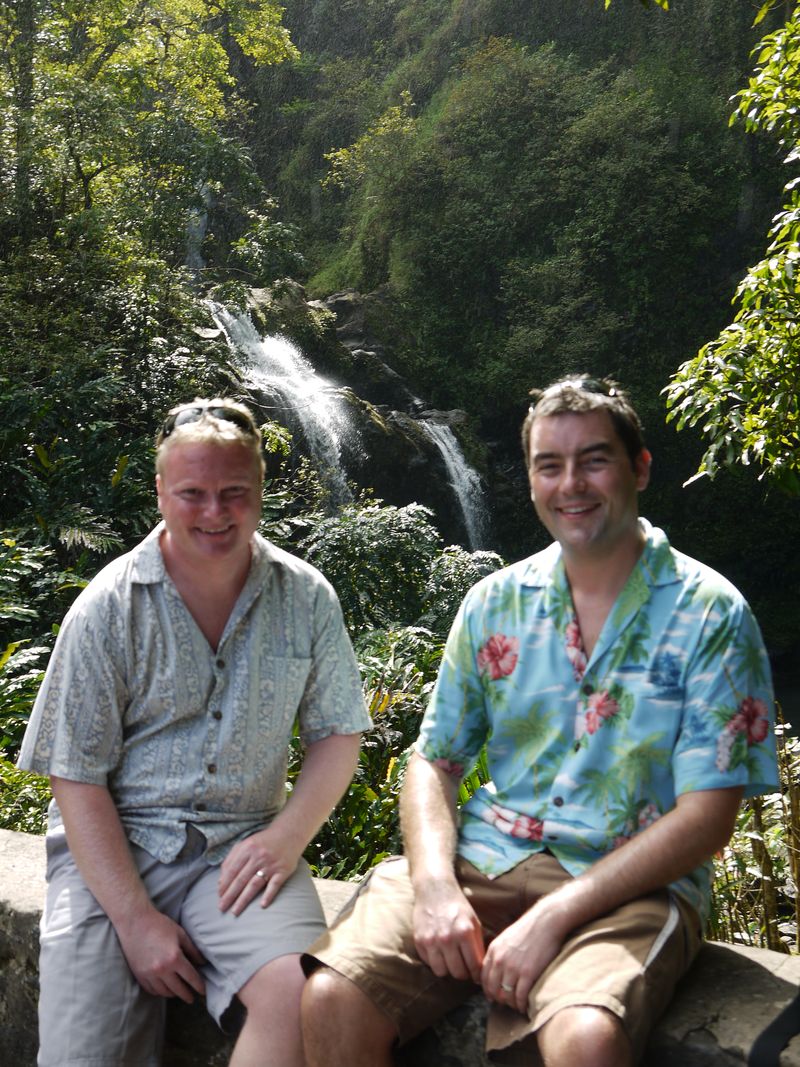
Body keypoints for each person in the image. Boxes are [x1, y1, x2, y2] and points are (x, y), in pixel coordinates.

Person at [301, 376, 778, 1067]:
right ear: (528, 479)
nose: (571, 484)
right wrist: (434, 887)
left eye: (594, 459)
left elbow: (709, 815)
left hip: (629, 883)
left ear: (639, 467)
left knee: (585, 1040)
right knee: (332, 998)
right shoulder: (495, 601)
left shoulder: (711, 612)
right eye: (549, 465)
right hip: (484, 858)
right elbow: (435, 759)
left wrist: (553, 914)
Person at [18, 398, 370, 1067]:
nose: (215, 512)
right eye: (193, 493)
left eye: (234, 492)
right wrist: (132, 916)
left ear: (260, 493)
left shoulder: (307, 596)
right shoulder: (107, 607)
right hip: (115, 853)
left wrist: (286, 836)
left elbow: (337, 734)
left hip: (243, 848)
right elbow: (77, 774)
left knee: (304, 999)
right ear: (160, 492)